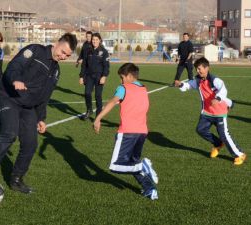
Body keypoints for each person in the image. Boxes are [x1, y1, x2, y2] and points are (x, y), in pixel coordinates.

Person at [0, 33, 78, 197]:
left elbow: (44, 97)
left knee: (30, 143)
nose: (63, 56)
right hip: (8, 97)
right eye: (62, 52)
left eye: (67, 55)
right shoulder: (35, 51)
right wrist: (15, 80)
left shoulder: (56, 71)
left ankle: (16, 179)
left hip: (28, 106)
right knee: (10, 133)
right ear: (57, 43)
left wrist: (41, 118)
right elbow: (14, 66)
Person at [93, 63, 159, 200]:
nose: (121, 81)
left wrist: (98, 118)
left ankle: (144, 166)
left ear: (129, 76)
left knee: (115, 166)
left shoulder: (124, 88)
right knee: (132, 163)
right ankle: (150, 189)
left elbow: (112, 102)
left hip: (128, 132)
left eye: (122, 77)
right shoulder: (143, 88)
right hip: (142, 132)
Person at [175, 57, 246, 165]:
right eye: (197, 69)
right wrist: (181, 84)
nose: (198, 71)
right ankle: (217, 144)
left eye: (200, 69)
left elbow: (223, 90)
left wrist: (217, 98)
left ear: (207, 68)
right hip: (207, 112)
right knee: (200, 130)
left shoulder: (214, 80)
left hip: (220, 113)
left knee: (224, 135)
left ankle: (240, 154)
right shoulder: (198, 80)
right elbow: (189, 85)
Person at [79, 32, 110, 119]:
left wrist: (104, 76)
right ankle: (89, 110)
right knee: (87, 93)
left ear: (100, 40)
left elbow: (106, 66)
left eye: (96, 40)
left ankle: (98, 115)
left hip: (99, 77)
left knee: (97, 96)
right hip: (89, 76)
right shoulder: (88, 50)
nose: (94, 41)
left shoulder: (104, 52)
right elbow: (84, 64)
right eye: (93, 39)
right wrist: (81, 76)